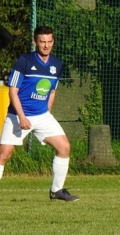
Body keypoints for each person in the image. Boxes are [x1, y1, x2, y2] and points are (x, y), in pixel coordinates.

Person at [0, 25, 79, 201]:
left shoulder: (57, 64)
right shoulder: (25, 61)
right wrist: (21, 116)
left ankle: (56, 191)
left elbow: (52, 91)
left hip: (42, 116)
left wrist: (47, 114)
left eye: (49, 42)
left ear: (53, 42)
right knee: (4, 154)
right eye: (42, 42)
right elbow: (13, 90)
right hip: (18, 115)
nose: (46, 45)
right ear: (35, 42)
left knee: (64, 147)